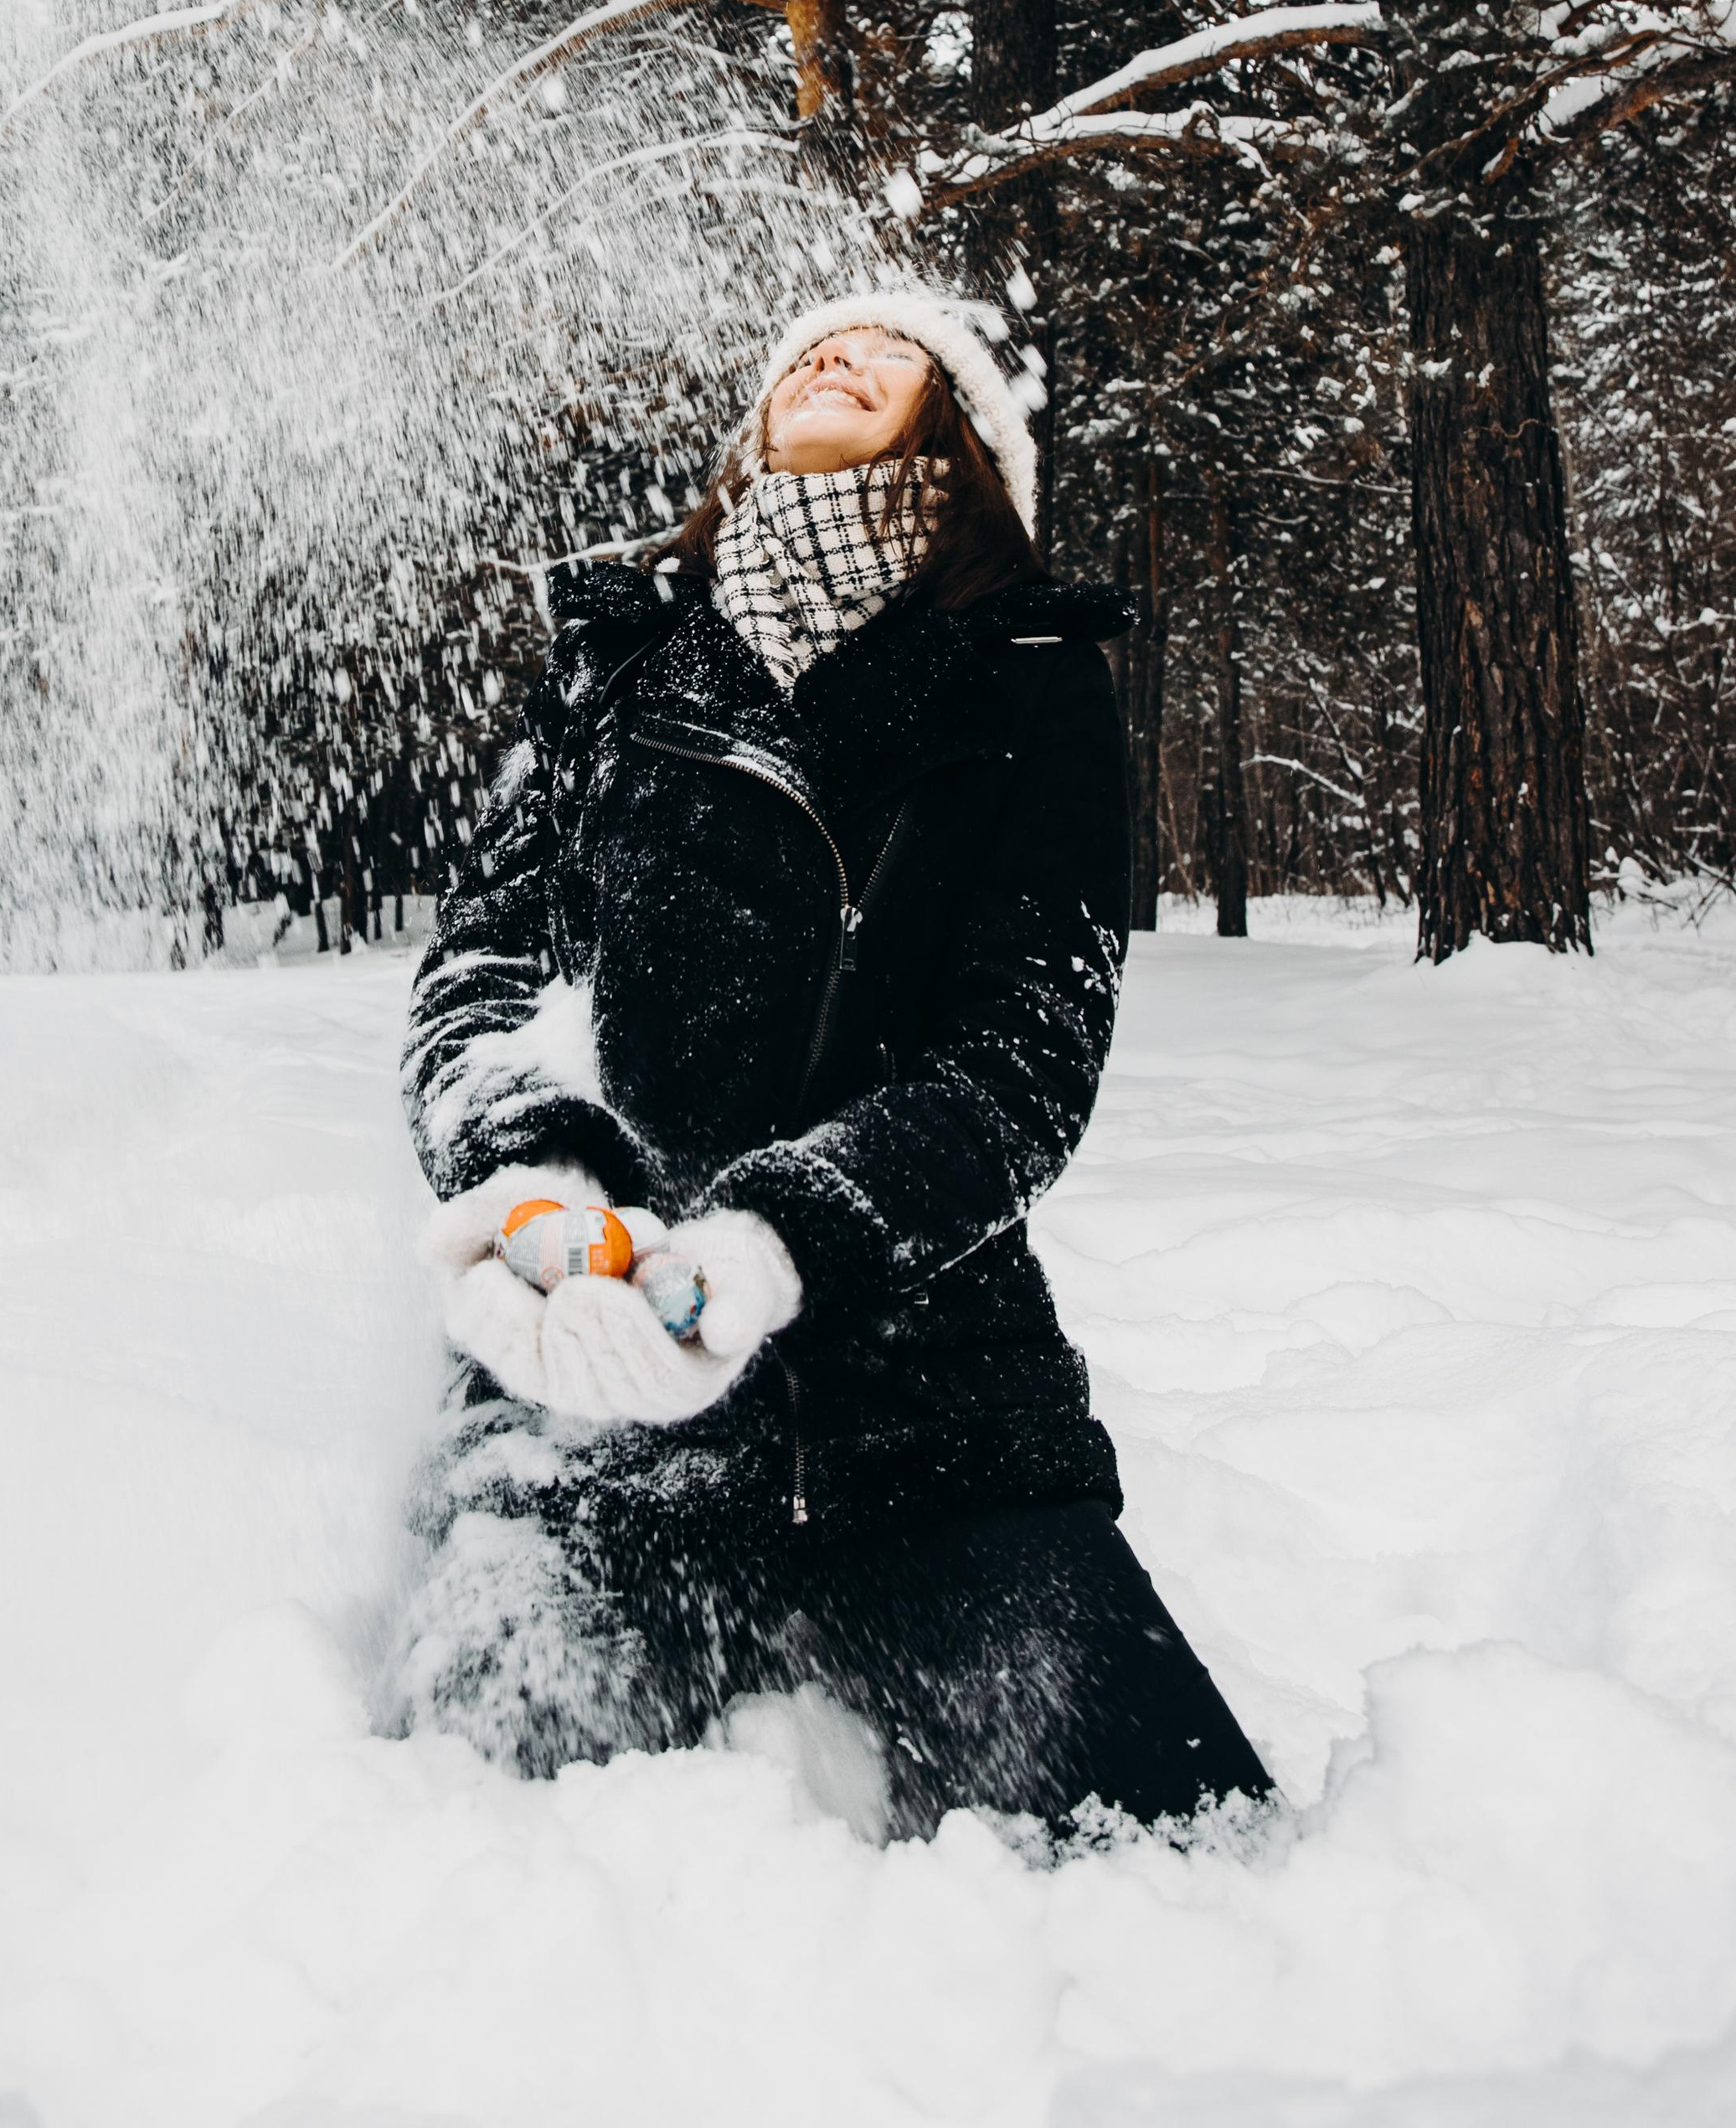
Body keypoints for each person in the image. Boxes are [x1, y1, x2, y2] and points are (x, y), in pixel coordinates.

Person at [389, 290, 1271, 1841]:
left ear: (964, 439)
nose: (837, 351)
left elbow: (1028, 1055)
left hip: (916, 1389)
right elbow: (478, 973)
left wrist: (782, 1240)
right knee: (469, 1843)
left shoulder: (1027, 679)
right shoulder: (621, 658)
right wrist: (531, 1188)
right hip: (589, 1364)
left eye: (896, 354)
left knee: (1185, 1859)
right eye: (811, 342)